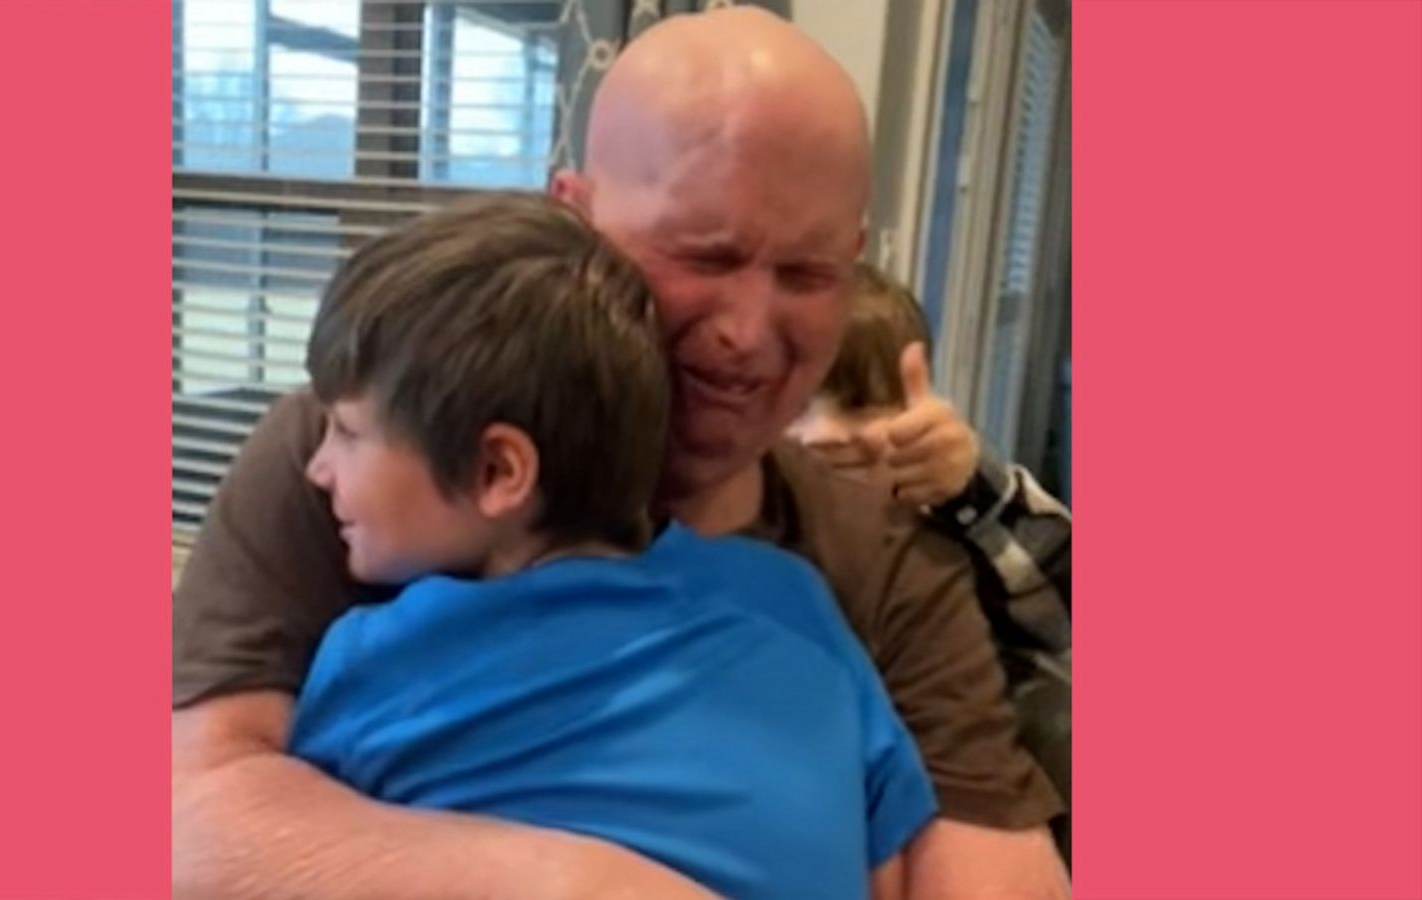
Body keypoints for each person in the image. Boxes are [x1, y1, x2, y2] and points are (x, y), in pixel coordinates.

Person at [173, 8, 1070, 899]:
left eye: (808, 274)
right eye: (703, 256)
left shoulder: (882, 571)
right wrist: (582, 883)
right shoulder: (373, 451)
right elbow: (190, 826)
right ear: (577, 217)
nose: (749, 334)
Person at [287, 192, 936, 899]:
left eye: (348, 433)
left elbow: (284, 858)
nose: (317, 468)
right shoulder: (793, 602)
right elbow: (887, 870)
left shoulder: (373, 663)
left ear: (499, 471)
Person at [787, 261, 1073, 860]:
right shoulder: (747, 514)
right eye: (796, 406)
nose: (824, 434)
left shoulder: (945, 516)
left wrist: (974, 488)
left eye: (862, 405)